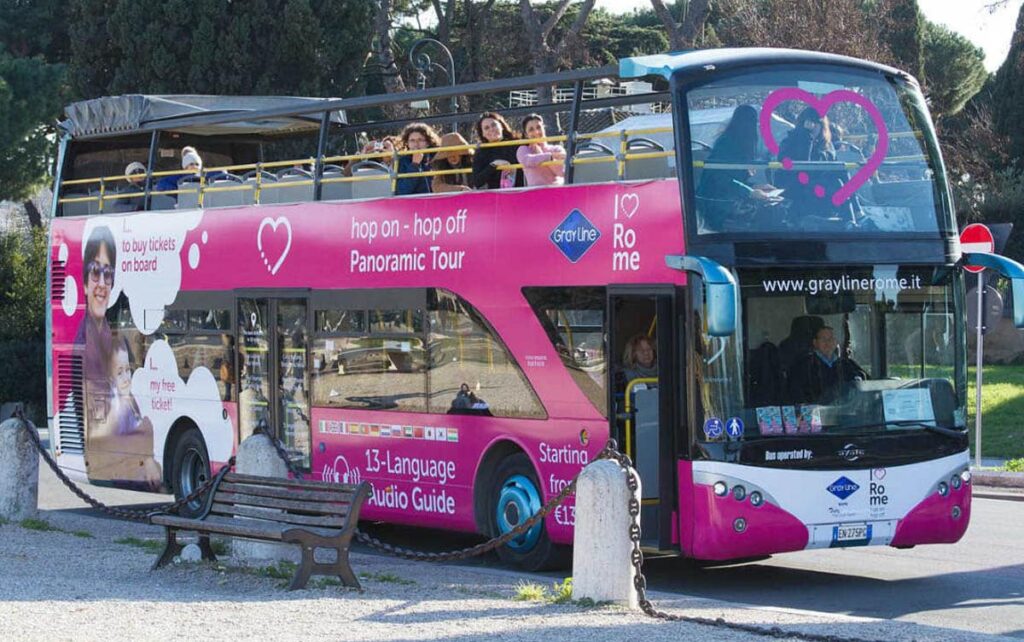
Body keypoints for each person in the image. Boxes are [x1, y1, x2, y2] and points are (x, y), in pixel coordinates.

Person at [696, 105, 778, 229]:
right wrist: (750, 192)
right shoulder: (726, 145)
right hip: (716, 205)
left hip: (727, 202)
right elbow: (720, 181)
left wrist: (755, 187)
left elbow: (733, 179)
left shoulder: (735, 143)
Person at [775, 107, 843, 220]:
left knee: (840, 181)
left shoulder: (826, 145)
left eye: (816, 123)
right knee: (832, 185)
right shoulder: (789, 142)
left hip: (821, 185)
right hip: (796, 185)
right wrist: (806, 139)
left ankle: (854, 217)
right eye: (808, 123)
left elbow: (834, 167)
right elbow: (801, 167)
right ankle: (854, 215)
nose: (813, 127)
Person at [788, 326, 867, 404]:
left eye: (830, 339)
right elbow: (797, 396)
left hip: (845, 412)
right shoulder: (803, 366)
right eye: (823, 339)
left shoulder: (848, 364)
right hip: (816, 413)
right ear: (815, 342)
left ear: (835, 342)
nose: (828, 343)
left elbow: (864, 384)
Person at [471, 111, 523, 189]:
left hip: (521, 192)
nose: (491, 129)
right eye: (486, 128)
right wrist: (493, 165)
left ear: (501, 126)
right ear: (483, 134)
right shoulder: (481, 152)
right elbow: (477, 181)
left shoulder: (517, 143)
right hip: (496, 197)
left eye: (494, 125)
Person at [516, 114, 566, 186]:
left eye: (538, 127)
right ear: (526, 135)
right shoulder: (523, 149)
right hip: (535, 193)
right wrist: (550, 157)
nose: (536, 132)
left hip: (556, 191)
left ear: (544, 128)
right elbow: (527, 161)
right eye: (531, 129)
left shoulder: (557, 148)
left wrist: (541, 154)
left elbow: (561, 172)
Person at [396, 122, 441, 195]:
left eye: (420, 140)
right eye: (412, 140)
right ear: (407, 143)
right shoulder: (402, 161)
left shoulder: (436, 158)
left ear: (428, 142)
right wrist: (414, 165)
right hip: (413, 203)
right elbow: (402, 190)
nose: (416, 144)